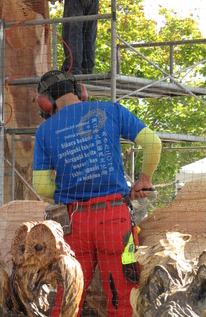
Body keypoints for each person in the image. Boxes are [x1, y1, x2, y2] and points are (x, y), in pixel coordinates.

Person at [33, 70, 162, 317]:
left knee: (68, 298)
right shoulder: (111, 110)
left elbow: (41, 186)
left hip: (75, 225)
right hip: (116, 222)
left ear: (45, 103)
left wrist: (67, 193)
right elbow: (153, 143)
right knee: (124, 298)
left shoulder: (45, 131)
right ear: (81, 91)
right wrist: (143, 180)